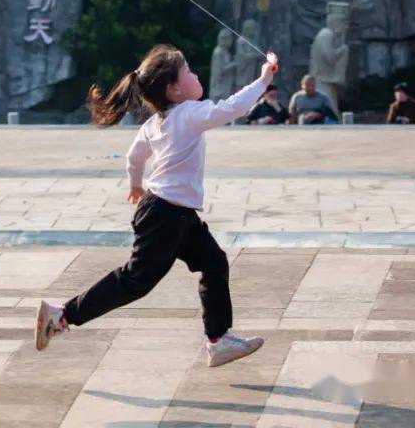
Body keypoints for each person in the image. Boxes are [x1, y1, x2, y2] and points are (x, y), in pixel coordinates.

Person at [34, 44, 272, 368]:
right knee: (135, 281)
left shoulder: (156, 123)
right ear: (174, 89)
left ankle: (219, 340)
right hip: (166, 216)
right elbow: (232, 108)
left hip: (174, 214)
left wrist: (135, 185)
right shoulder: (189, 114)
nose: (195, 74)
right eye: (188, 71)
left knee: (214, 263)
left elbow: (134, 157)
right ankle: (62, 315)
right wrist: (263, 80)